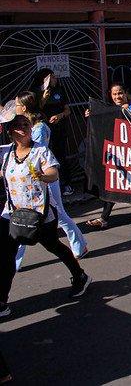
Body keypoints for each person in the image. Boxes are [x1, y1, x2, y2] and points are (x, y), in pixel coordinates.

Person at [0, 113, 92, 317]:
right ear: (9, 130)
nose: (23, 128)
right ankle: (2, 301)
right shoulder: (6, 154)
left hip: (39, 214)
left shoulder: (40, 151)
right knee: (6, 256)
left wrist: (43, 175)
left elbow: (53, 173)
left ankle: (80, 276)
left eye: (26, 124)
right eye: (17, 125)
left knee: (54, 246)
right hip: (13, 214)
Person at [13, 92, 88, 266]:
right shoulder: (25, 126)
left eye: (17, 105)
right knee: (17, 219)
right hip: (25, 183)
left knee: (59, 214)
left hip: (43, 179)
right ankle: (14, 261)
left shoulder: (37, 128)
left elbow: (36, 154)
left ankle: (79, 246)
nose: (15, 108)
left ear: (23, 108)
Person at [86, 83, 131, 229]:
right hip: (118, 155)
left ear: (125, 93)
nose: (117, 97)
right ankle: (103, 218)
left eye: (120, 93)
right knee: (113, 184)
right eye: (114, 94)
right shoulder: (110, 110)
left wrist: (126, 113)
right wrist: (91, 115)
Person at [31, 68, 73, 196]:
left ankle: (65, 184)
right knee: (45, 157)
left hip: (59, 128)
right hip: (43, 131)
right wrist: (43, 98)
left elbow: (67, 110)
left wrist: (60, 116)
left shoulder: (59, 90)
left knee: (61, 155)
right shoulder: (36, 93)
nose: (55, 79)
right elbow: (34, 111)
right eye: (52, 77)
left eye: (54, 77)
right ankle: (47, 186)